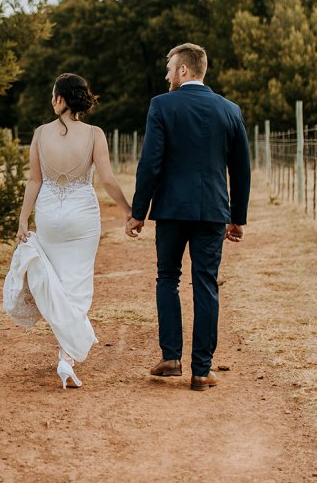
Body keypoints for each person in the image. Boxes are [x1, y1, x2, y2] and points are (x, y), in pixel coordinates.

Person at [126, 43, 251, 391]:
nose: (167, 75)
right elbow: (241, 169)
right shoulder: (229, 110)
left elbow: (150, 162)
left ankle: (171, 358)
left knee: (167, 277)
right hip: (212, 211)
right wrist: (237, 217)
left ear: (183, 70)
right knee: (205, 283)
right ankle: (201, 370)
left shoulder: (161, 106)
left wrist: (139, 212)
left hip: (170, 210)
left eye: (170, 68)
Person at [3, 73, 132, 389]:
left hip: (49, 213)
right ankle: (66, 357)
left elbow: (34, 180)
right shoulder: (94, 134)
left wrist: (23, 218)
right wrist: (128, 209)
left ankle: (67, 352)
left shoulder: (40, 134)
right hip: (82, 215)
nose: (52, 101)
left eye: (53, 95)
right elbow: (107, 179)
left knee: (57, 281)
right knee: (76, 284)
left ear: (60, 99)